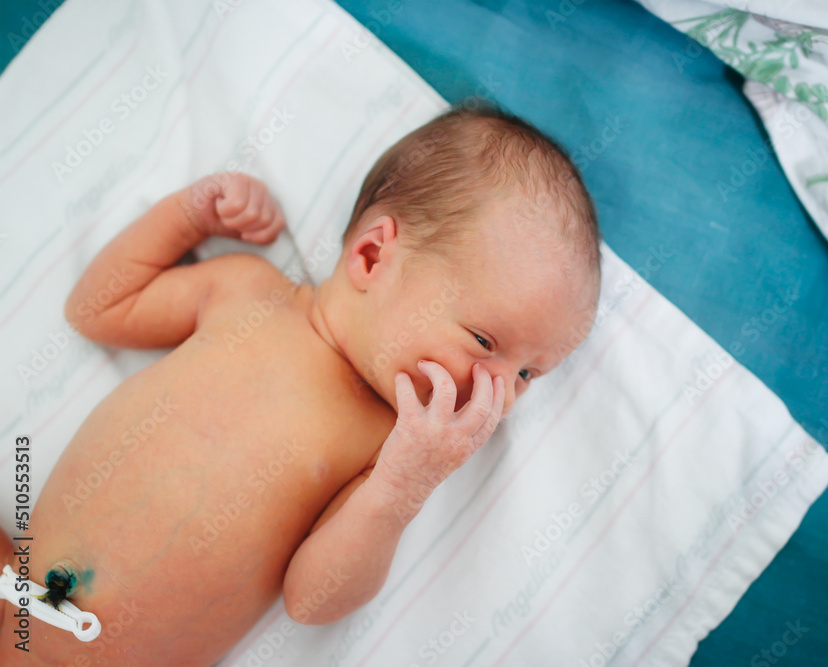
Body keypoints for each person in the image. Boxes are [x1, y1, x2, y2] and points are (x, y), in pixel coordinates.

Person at [0, 104, 601, 665]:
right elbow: (99, 310)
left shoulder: (383, 451)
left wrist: (400, 490)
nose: (500, 391)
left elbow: (314, 602)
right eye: (485, 341)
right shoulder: (246, 292)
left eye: (529, 373)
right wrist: (189, 215)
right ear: (372, 257)